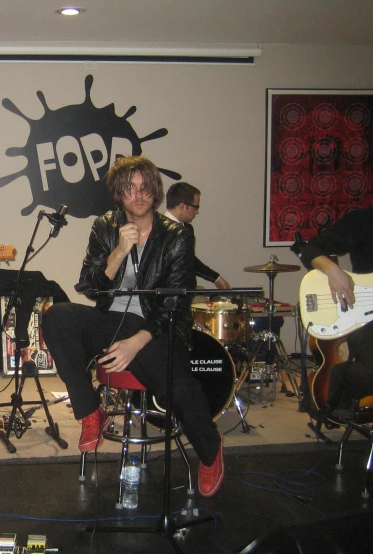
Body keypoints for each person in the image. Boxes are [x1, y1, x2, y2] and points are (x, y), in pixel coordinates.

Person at [42, 155, 225, 497]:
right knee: (58, 315)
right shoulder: (106, 226)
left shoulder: (177, 235)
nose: (137, 196)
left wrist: (136, 342)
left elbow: (176, 303)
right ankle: (91, 411)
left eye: (144, 188)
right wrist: (119, 252)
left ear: (155, 192)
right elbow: (90, 286)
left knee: (175, 389)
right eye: (129, 189)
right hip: (113, 319)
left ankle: (210, 448)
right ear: (118, 193)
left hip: (157, 327)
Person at [300, 207, 373, 423]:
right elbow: (311, 249)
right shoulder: (365, 219)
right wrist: (333, 271)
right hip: (365, 320)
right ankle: (342, 379)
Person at [164, 182, 230, 289]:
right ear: (182, 206)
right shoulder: (158, 230)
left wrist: (215, 277)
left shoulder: (186, 228)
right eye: (195, 207)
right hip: (167, 297)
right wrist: (215, 278)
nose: (197, 212)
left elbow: (189, 260)